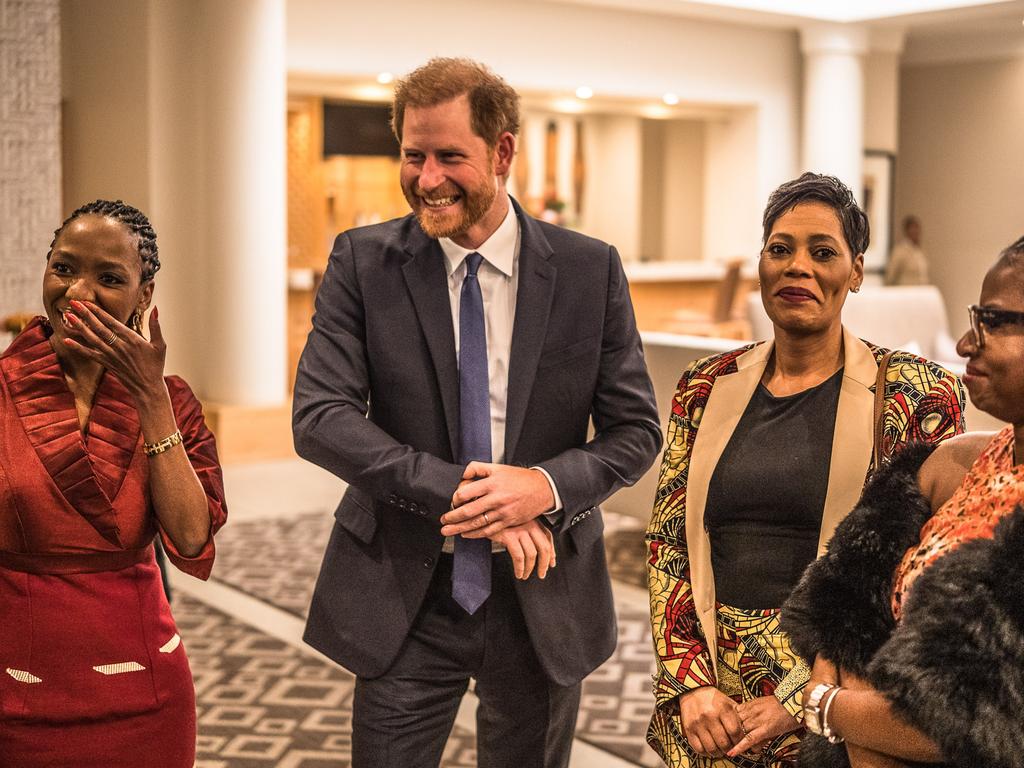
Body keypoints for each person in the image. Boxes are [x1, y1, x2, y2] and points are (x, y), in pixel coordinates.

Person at [292, 58, 661, 768]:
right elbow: (320, 417)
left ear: (503, 151)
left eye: (449, 156)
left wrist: (541, 488)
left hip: (541, 591)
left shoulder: (588, 270)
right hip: (406, 588)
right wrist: (473, 495)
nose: (427, 179)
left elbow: (635, 430)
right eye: (412, 156)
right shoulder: (363, 263)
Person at [645, 173, 966, 768]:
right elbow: (669, 542)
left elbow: (919, 576)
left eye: (823, 252)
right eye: (780, 248)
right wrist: (688, 683)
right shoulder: (704, 386)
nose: (798, 267)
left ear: (857, 270)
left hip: (837, 696)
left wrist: (801, 698)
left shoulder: (916, 395)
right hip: (711, 698)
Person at [782, 236, 1024, 768]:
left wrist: (825, 707)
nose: (965, 343)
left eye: (996, 322)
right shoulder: (946, 465)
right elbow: (836, 608)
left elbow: (970, 724)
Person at [0, 200, 227, 767]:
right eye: (64, 268)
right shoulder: (2, 392)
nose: (78, 293)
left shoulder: (171, 401)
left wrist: (150, 399)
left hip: (145, 690)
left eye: (109, 278)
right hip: (16, 687)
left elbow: (192, 539)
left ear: (144, 296)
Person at [883, 215, 929, 286]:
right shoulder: (900, 251)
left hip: (920, 293)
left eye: (917, 228)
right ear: (907, 231)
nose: (915, 232)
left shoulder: (919, 251)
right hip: (906, 293)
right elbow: (890, 277)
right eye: (913, 229)